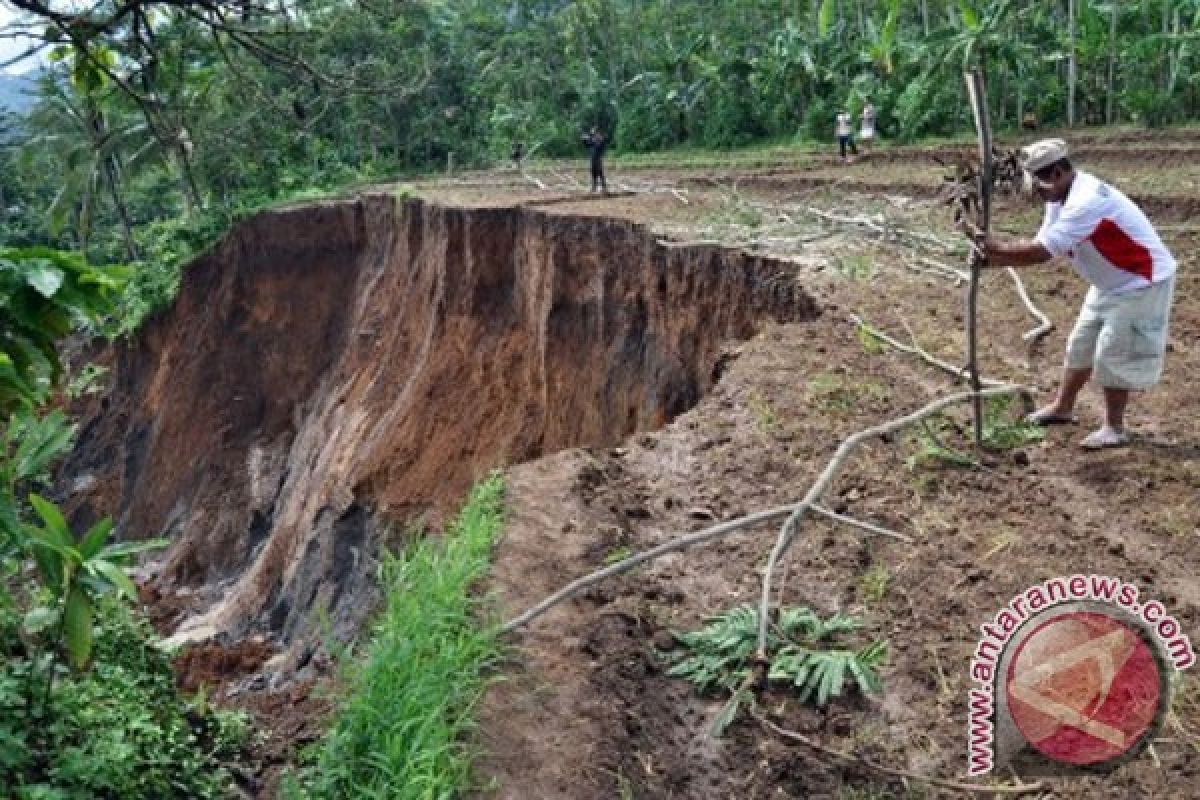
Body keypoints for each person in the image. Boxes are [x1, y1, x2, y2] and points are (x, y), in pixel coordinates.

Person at [963, 138, 1177, 450]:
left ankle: (1114, 427)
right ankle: (1063, 407)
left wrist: (994, 249)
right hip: (1109, 283)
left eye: (1041, 186)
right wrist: (991, 259)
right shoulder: (1058, 197)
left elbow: (1040, 253)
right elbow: (1042, 241)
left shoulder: (1086, 202)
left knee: (1113, 353)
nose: (1038, 194)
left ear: (1060, 172)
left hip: (1140, 282)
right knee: (1080, 344)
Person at [582, 127, 607, 192]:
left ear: (597, 133)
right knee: (593, 173)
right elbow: (587, 145)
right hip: (592, 159)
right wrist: (584, 139)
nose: (593, 135)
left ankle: (604, 187)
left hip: (598, 159)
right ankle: (594, 187)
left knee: (600, 172)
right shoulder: (592, 140)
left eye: (594, 133)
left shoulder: (600, 139)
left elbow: (598, 145)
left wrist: (590, 139)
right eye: (592, 134)